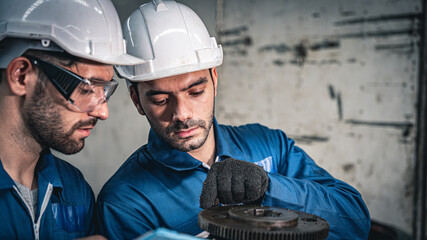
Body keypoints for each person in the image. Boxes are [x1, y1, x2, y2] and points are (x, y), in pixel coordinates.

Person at [97, 0, 370, 239]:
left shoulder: (269, 145)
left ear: (214, 80)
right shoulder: (125, 201)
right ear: (136, 100)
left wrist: (269, 188)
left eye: (195, 91)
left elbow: (355, 222)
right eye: (160, 100)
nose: (182, 114)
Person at [0, 0, 143, 239]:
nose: (103, 112)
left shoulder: (74, 189)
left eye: (105, 91)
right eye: (87, 89)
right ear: (22, 76)